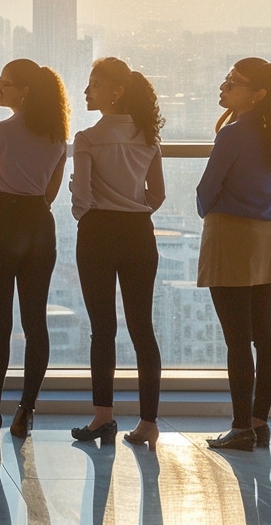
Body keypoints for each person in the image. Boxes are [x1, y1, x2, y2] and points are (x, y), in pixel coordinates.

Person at [0, 59, 68, 439]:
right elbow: (49, 194)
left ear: (23, 91)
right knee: (35, 323)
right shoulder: (57, 136)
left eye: (3, 83)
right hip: (39, 227)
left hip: (2, 226)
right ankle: (26, 411)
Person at [198, 58, 271, 451]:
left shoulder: (232, 134)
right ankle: (259, 423)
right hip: (268, 236)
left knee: (237, 340)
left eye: (233, 81)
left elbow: (206, 191)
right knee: (265, 334)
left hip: (229, 236)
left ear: (257, 94)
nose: (224, 86)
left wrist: (215, 207)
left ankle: (240, 426)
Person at [67, 57, 166, 450]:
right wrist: (133, 206)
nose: (87, 91)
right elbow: (156, 195)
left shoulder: (87, 139)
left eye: (94, 84)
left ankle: (103, 417)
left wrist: (83, 202)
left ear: (116, 91)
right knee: (143, 329)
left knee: (102, 328)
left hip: (97, 232)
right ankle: (149, 422)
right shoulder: (148, 139)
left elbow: (81, 200)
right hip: (140, 233)